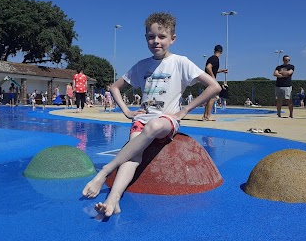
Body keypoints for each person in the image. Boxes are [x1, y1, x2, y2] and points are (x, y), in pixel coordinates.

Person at [82, 12, 221, 217]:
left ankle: (104, 171)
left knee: (154, 127)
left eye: (162, 37)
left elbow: (214, 86)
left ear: (172, 39)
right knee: (132, 157)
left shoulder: (180, 62)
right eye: (151, 36)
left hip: (166, 121)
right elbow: (114, 88)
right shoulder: (142, 65)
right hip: (142, 119)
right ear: (146, 38)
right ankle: (113, 199)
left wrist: (184, 111)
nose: (156, 41)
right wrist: (128, 111)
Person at [202, 44, 228, 121]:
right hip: (210, 80)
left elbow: (212, 69)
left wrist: (222, 71)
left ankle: (205, 116)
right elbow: (208, 67)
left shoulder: (212, 58)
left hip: (206, 80)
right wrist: (213, 78)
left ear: (214, 51)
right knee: (213, 98)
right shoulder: (215, 59)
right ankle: (208, 116)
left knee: (209, 98)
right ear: (221, 52)